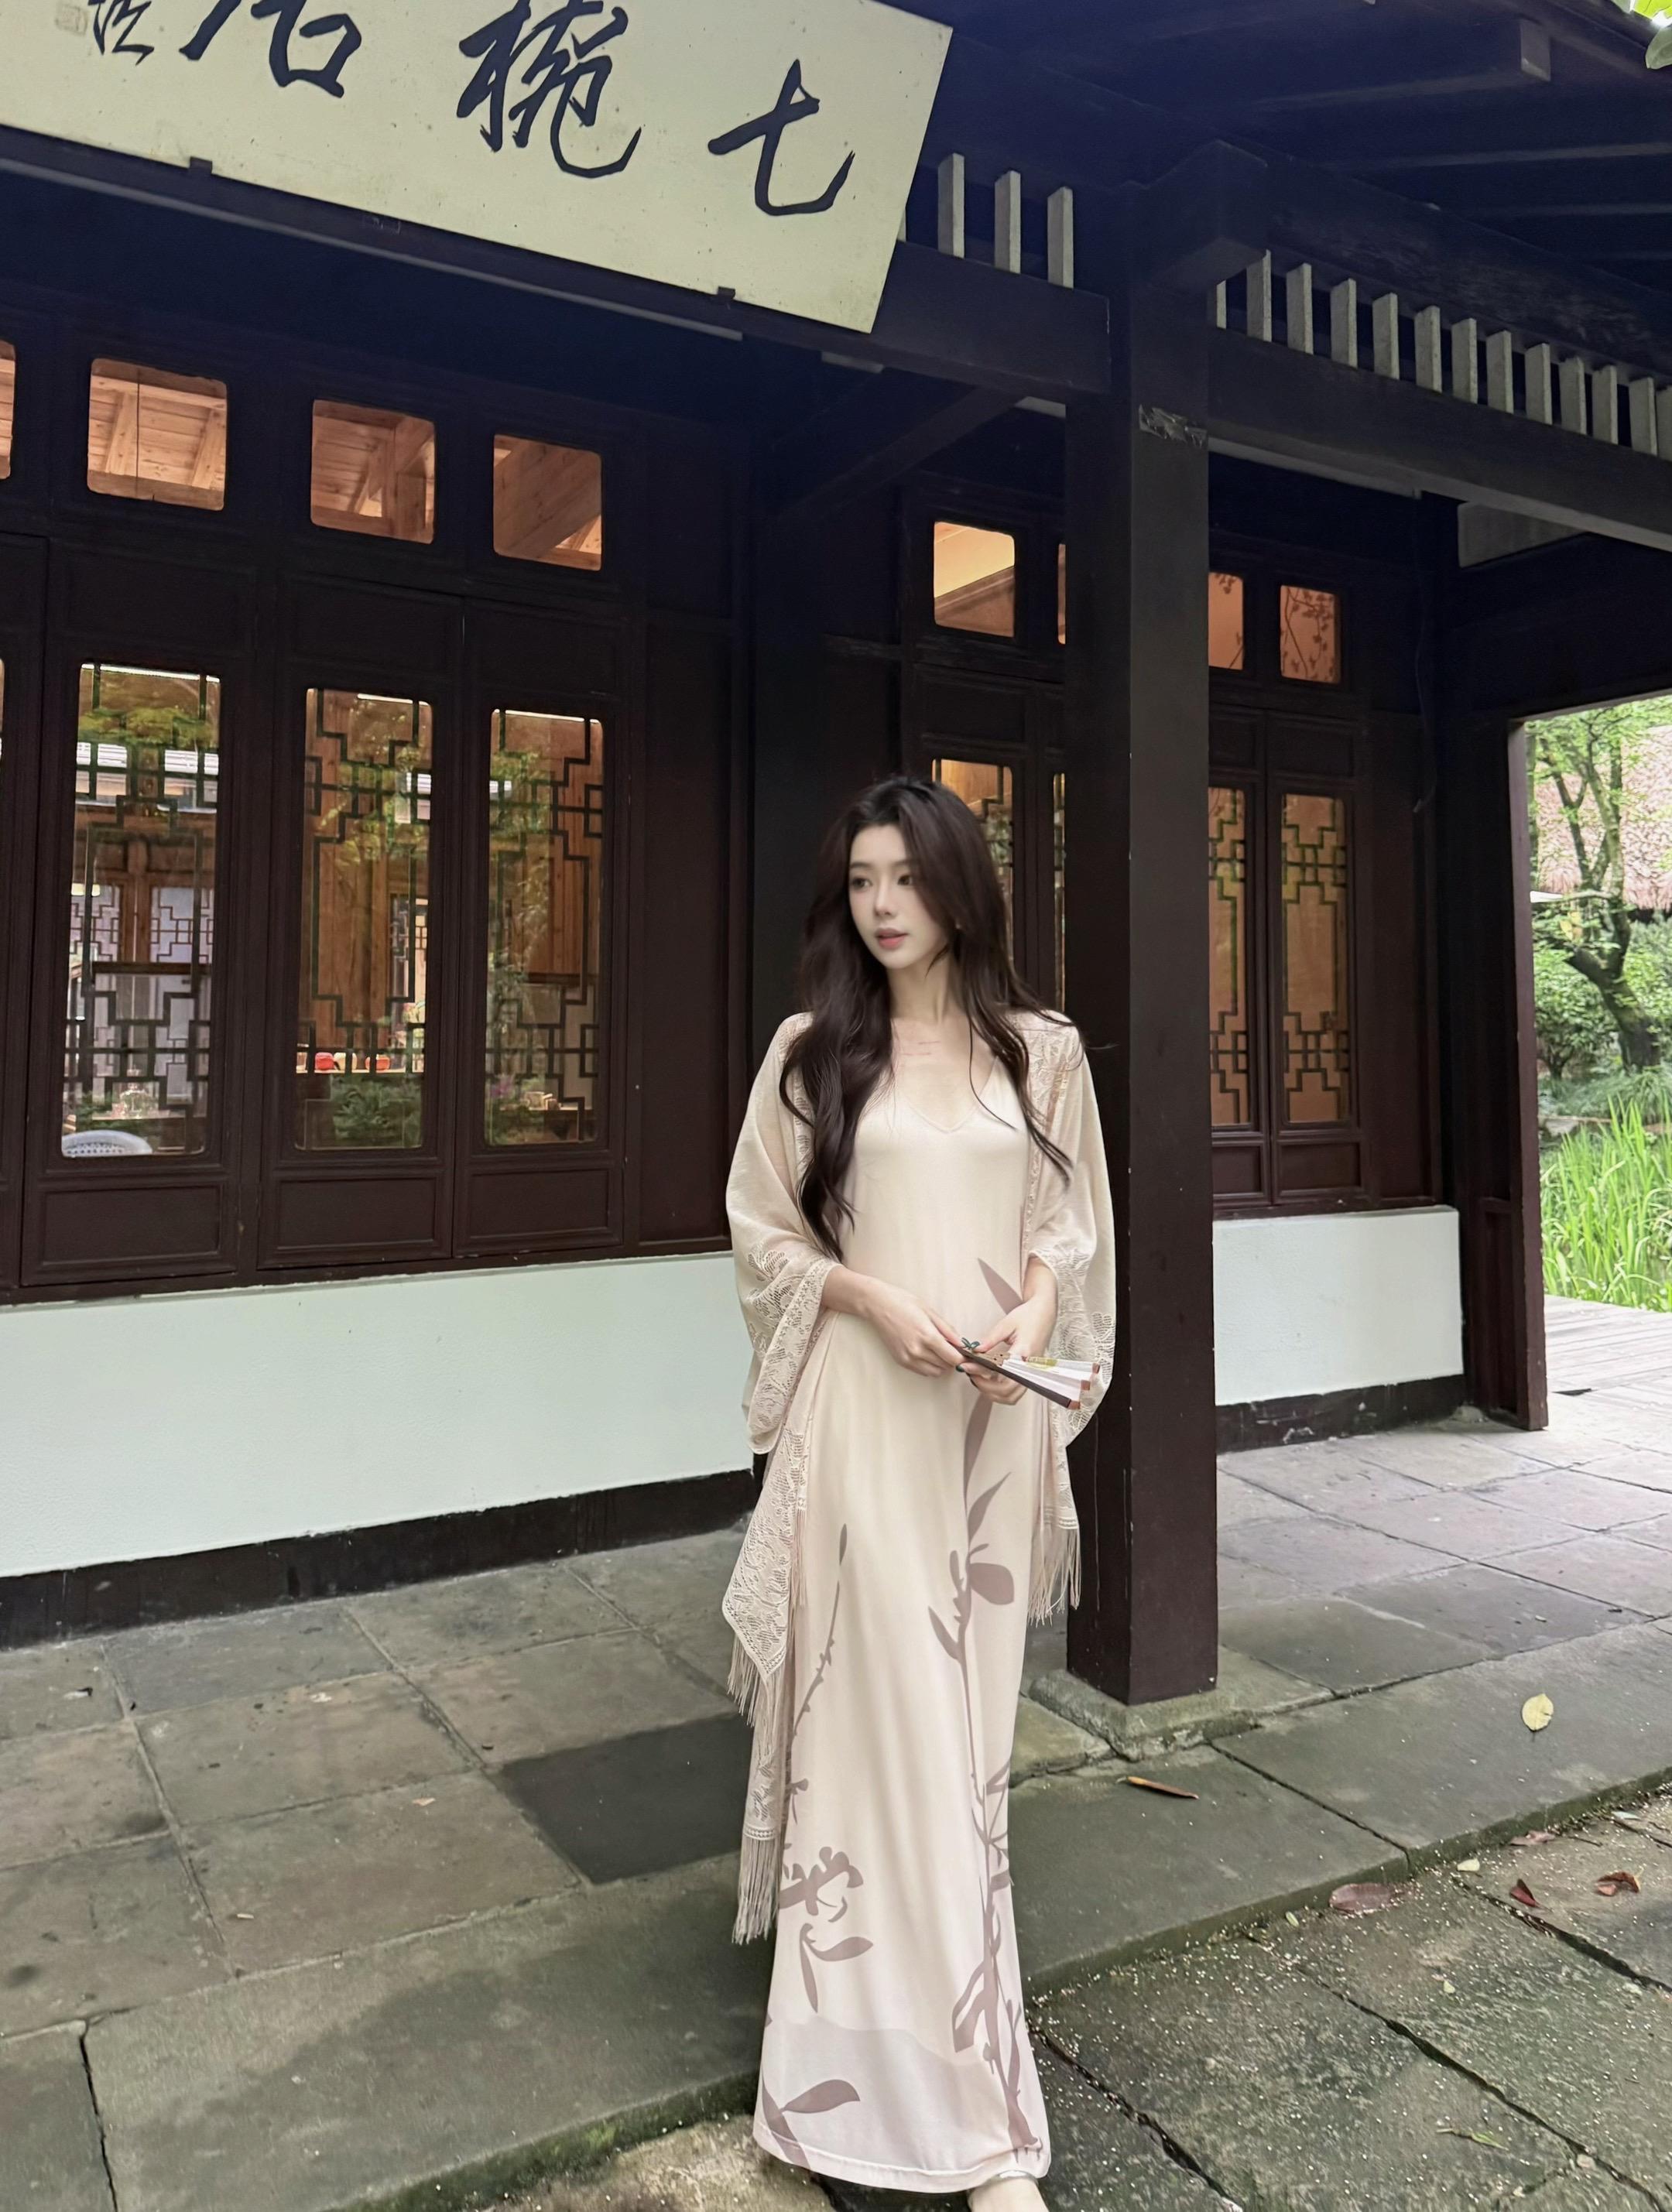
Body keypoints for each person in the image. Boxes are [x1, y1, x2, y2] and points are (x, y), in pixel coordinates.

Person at [721, 776, 1115, 2205]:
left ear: (960, 886)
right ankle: (971, 2132)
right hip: (864, 1424)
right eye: (862, 880)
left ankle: (922, 2082)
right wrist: (869, 1296)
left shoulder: (1042, 1051)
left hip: (992, 1433)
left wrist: (1032, 1313)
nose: (883, 905)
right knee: (881, 1747)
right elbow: (762, 1230)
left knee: (967, 1762)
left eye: (906, 877)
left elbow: (1068, 1228)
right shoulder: (811, 1051)